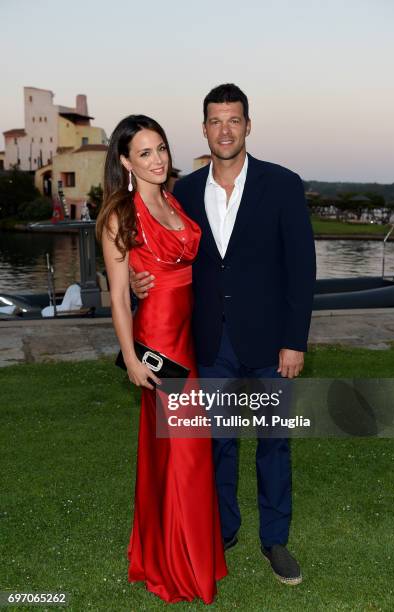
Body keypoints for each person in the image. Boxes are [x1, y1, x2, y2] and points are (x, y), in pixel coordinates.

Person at [131, 84, 317, 585]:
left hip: (272, 344)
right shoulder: (185, 191)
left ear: (248, 126)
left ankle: (275, 540)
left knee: (274, 442)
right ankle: (224, 529)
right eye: (215, 121)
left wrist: (295, 341)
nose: (225, 130)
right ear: (204, 129)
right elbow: (156, 248)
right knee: (217, 442)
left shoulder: (282, 184)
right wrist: (134, 277)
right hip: (209, 345)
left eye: (234, 120)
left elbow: (301, 270)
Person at [96, 114, 227, 604]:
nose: (158, 159)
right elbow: (116, 295)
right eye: (145, 153)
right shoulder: (119, 215)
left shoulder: (173, 199)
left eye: (162, 149)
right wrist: (131, 357)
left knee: (178, 452)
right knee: (187, 450)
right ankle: (182, 567)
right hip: (161, 345)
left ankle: (183, 553)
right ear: (126, 161)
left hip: (191, 337)